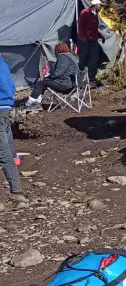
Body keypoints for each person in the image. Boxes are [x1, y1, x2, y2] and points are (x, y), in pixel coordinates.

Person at [23, 43, 79, 112]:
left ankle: (28, 104)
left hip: (65, 85)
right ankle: (37, 103)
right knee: (43, 83)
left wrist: (49, 77)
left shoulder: (63, 57)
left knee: (40, 83)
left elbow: (58, 73)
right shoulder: (73, 57)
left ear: (58, 50)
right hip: (74, 84)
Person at [0, 56, 25, 203]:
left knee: (3, 153)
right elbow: (12, 86)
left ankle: (17, 192)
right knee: (8, 149)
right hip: (6, 108)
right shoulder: (2, 62)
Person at [77, 0, 104, 84]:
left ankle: (91, 78)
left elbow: (93, 28)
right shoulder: (85, 13)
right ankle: (79, 79)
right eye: (100, 5)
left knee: (93, 60)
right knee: (83, 59)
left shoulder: (95, 14)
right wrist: (82, 38)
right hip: (85, 41)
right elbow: (81, 26)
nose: (100, 7)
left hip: (93, 41)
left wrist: (100, 35)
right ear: (95, 5)